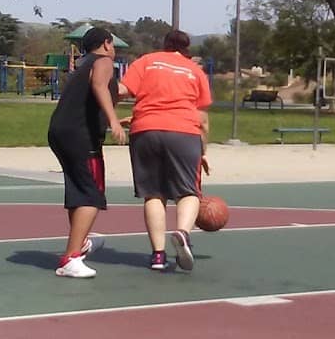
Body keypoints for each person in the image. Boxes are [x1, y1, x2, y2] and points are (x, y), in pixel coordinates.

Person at [118, 30, 212, 272]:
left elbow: (122, 90)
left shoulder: (147, 61)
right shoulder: (195, 71)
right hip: (184, 131)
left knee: (153, 193)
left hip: (145, 130)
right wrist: (202, 150)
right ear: (187, 48)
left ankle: (158, 256)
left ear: (165, 44)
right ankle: (182, 233)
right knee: (188, 192)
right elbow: (202, 118)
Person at [46, 27, 127, 279]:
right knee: (91, 195)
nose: (114, 50)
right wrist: (113, 121)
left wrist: (114, 117)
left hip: (60, 132)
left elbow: (99, 95)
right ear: (106, 44)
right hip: (80, 136)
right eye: (113, 45)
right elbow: (99, 85)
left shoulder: (83, 65)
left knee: (79, 191)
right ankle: (71, 258)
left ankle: (79, 245)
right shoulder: (103, 61)